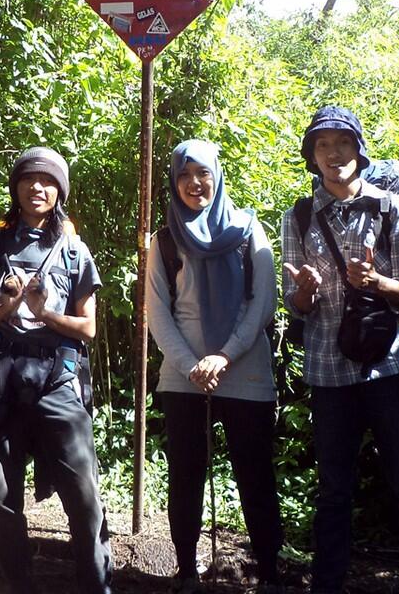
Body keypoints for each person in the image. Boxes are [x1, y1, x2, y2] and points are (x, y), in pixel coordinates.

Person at [280, 105, 399, 593]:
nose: (334, 153)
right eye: (323, 146)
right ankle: (327, 585)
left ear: (359, 150)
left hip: (390, 365)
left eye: (343, 143)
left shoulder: (393, 208)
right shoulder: (300, 216)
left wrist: (379, 282)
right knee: (332, 491)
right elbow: (295, 305)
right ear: (312, 156)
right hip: (329, 373)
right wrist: (305, 291)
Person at [0, 146, 113, 594]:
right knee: (4, 499)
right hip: (0, 382)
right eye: (28, 179)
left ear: (59, 190)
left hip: (58, 381)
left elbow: (88, 328)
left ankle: (96, 583)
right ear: (16, 187)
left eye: (47, 181)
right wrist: (5, 306)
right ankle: (19, 584)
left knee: (83, 493)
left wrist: (44, 314)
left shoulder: (75, 251)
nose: (37, 187)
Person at [147, 139, 283, 593]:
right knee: (185, 474)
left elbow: (263, 302)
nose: (194, 183)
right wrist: (191, 366)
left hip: (245, 372)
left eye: (202, 172)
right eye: (184, 175)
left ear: (217, 175)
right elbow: (157, 313)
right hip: (183, 377)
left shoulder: (247, 231)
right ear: (173, 180)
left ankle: (270, 573)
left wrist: (222, 356)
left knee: (255, 474)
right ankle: (186, 571)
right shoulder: (163, 239)